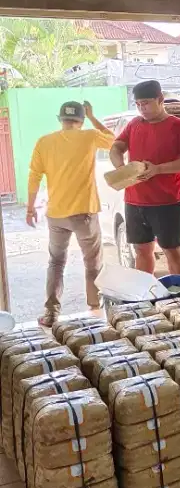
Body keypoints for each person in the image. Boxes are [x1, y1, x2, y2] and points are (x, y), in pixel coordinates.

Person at [27, 100, 115, 326]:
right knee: (92, 262)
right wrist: (94, 117)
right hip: (83, 213)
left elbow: (34, 176)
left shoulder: (44, 142)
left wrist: (30, 208)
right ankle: (95, 311)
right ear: (81, 120)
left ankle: (51, 313)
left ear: (61, 119)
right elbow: (114, 141)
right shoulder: (89, 136)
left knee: (56, 262)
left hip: (56, 214)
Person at [109, 80, 180, 276]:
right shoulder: (134, 124)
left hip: (166, 200)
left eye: (147, 103)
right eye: (138, 104)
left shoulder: (179, 126)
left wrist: (158, 169)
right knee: (141, 251)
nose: (142, 108)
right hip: (134, 199)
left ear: (160, 99)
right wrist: (121, 168)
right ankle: (145, 298)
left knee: (172, 251)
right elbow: (116, 147)